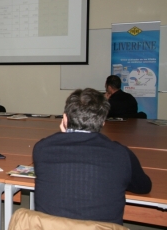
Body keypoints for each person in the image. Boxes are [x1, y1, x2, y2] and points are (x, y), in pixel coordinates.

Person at [33, 88, 152, 225]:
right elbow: (144, 187)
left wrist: (64, 134)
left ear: (65, 118)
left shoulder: (42, 148)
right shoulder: (120, 154)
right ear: (102, 122)